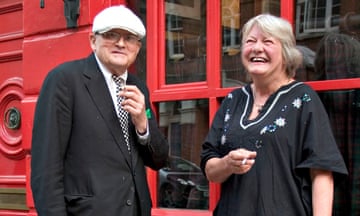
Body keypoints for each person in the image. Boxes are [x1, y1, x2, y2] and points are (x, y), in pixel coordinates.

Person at [200, 14, 348, 216]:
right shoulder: (232, 101)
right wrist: (227, 163)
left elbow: (321, 172)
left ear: (286, 52)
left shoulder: (304, 99)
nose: (257, 48)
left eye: (267, 41)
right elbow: (211, 171)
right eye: (250, 41)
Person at [31, 5, 169, 216]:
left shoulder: (138, 87)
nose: (121, 43)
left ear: (138, 47)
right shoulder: (65, 80)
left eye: (129, 38)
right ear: (93, 41)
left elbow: (159, 159)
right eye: (111, 35)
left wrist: (143, 124)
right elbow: (46, 169)